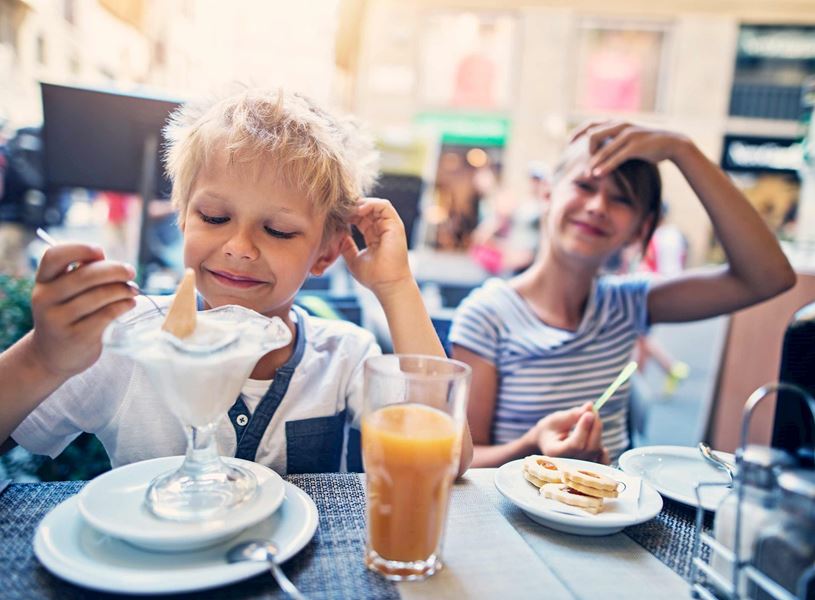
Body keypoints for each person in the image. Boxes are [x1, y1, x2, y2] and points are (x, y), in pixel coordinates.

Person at [0, 88, 470, 476]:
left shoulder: (344, 357)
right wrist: (44, 356)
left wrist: (396, 287)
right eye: (215, 216)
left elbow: (447, 460)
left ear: (325, 252)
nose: (240, 247)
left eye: (278, 230)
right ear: (184, 218)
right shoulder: (127, 341)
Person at [451, 121, 796, 467]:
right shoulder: (487, 314)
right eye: (585, 185)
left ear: (642, 228)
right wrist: (532, 446)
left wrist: (683, 150)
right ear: (547, 194)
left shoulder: (627, 303)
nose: (598, 206)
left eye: (621, 199)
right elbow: (462, 458)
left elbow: (769, 277)